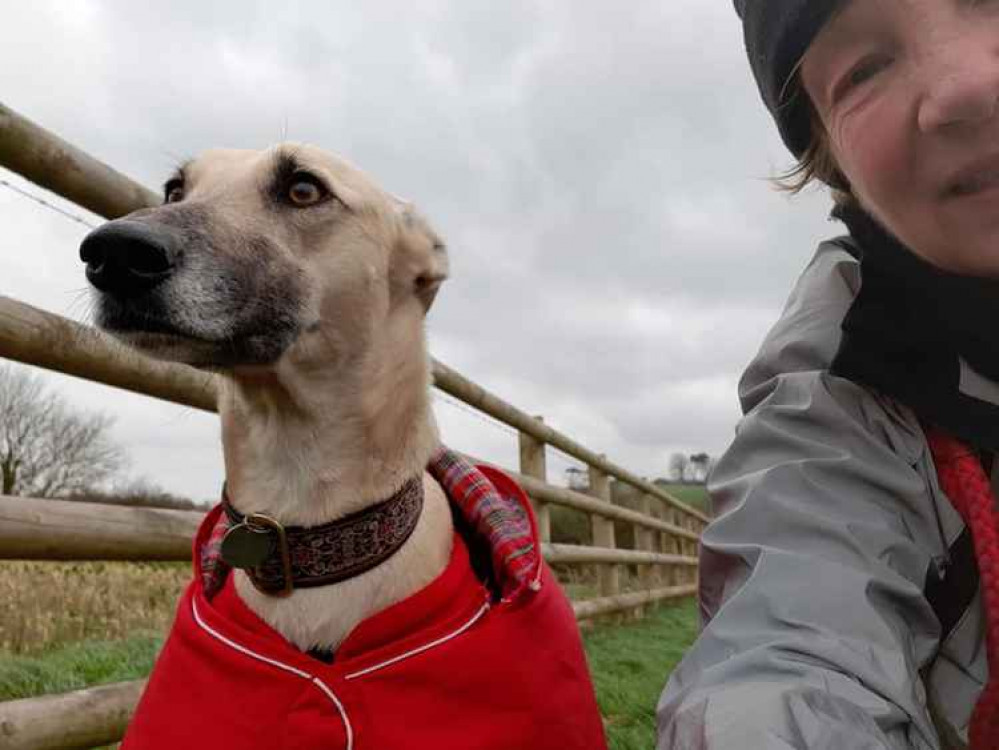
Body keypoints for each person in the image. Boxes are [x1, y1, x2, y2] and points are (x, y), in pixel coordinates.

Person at [657, 1, 999, 748]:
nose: (964, 87)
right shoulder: (841, 394)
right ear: (831, 161)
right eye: (864, 69)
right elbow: (790, 645)